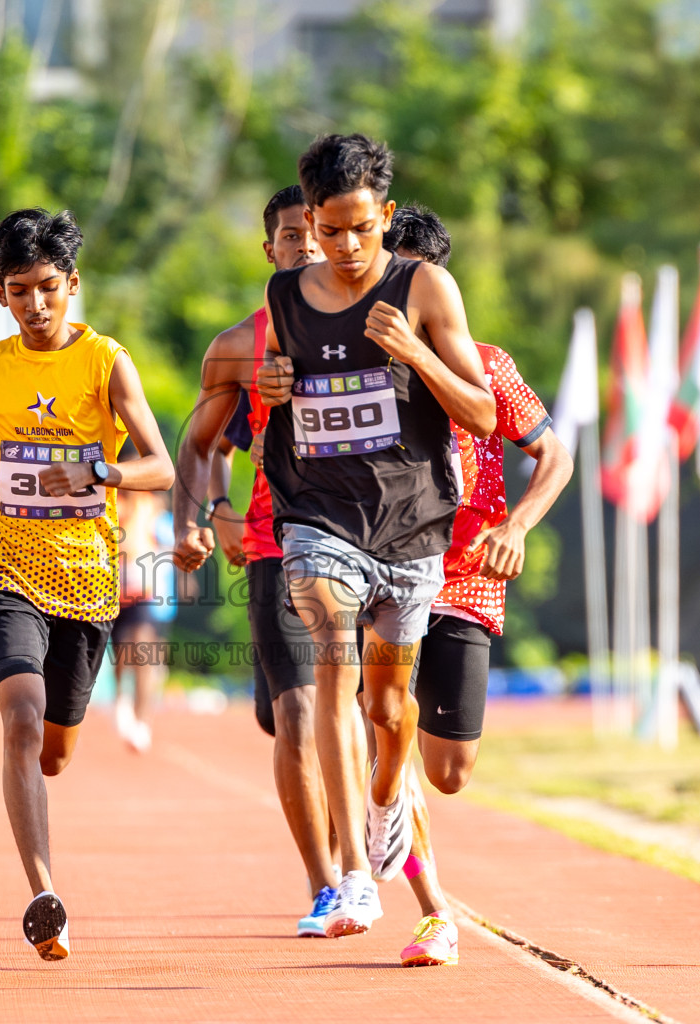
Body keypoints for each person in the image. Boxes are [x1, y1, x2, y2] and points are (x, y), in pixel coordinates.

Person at [0, 208, 174, 962]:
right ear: (1, 293)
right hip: (2, 565)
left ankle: (49, 780)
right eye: (20, 290)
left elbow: (159, 465)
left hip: (87, 579)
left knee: (54, 748)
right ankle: (43, 895)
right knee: (21, 719)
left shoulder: (105, 364)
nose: (36, 305)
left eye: (49, 289)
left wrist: (101, 470)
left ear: (73, 287)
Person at [257, 134, 496, 938]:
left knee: (390, 707)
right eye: (330, 231)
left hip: (412, 528)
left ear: (385, 217)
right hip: (320, 519)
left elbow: (483, 413)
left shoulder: (424, 287)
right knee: (331, 647)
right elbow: (286, 399)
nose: (348, 247)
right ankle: (356, 878)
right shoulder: (286, 296)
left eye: (362, 228)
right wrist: (275, 387)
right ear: (310, 224)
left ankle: (387, 806)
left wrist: (414, 352)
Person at [377, 204, 574, 967]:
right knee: (384, 732)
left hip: (465, 583)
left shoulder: (489, 367)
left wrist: (516, 526)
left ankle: (390, 772)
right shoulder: (350, 365)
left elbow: (552, 455)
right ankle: (434, 912)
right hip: (383, 573)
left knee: (448, 772)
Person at [172, 185, 345, 937]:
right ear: (268, 249)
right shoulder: (240, 346)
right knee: (293, 712)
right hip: (278, 540)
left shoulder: (373, 327)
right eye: (289, 236)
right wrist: (212, 511)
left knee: (348, 712)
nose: (306, 247)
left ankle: (350, 865)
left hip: (366, 544)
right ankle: (327, 884)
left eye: (317, 234)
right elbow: (199, 444)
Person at [110, 485, 175, 753]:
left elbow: (170, 547)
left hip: (145, 592)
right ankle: (122, 701)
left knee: (143, 650)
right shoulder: (111, 504)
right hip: (112, 592)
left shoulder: (154, 509)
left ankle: (142, 721)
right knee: (122, 657)